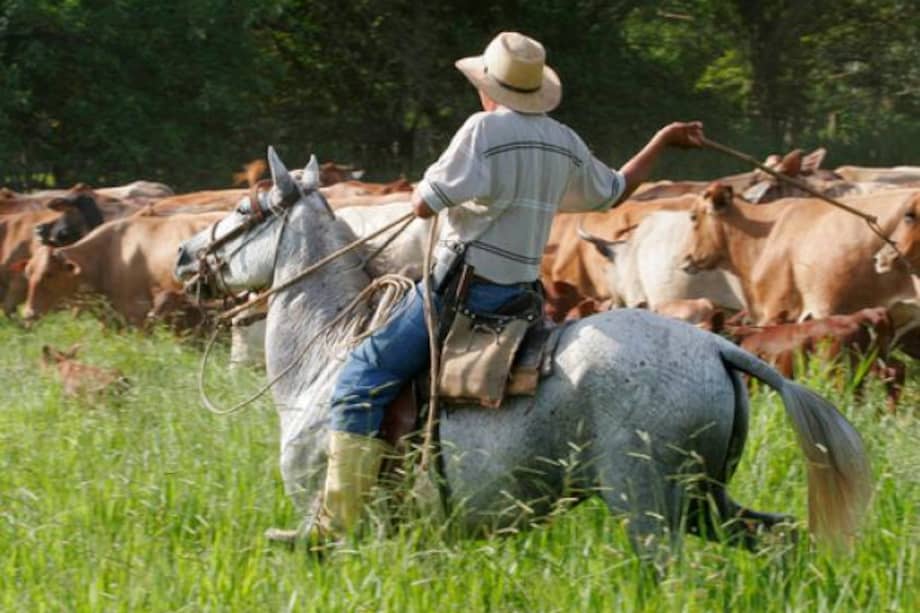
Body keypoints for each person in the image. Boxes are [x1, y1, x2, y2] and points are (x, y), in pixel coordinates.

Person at [310, 31, 704, 542]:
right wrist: (662, 140)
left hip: (461, 293)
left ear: (487, 87)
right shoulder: (563, 139)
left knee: (364, 374)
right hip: (521, 300)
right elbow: (614, 192)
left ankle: (332, 525)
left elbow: (423, 204)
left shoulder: (482, 129)